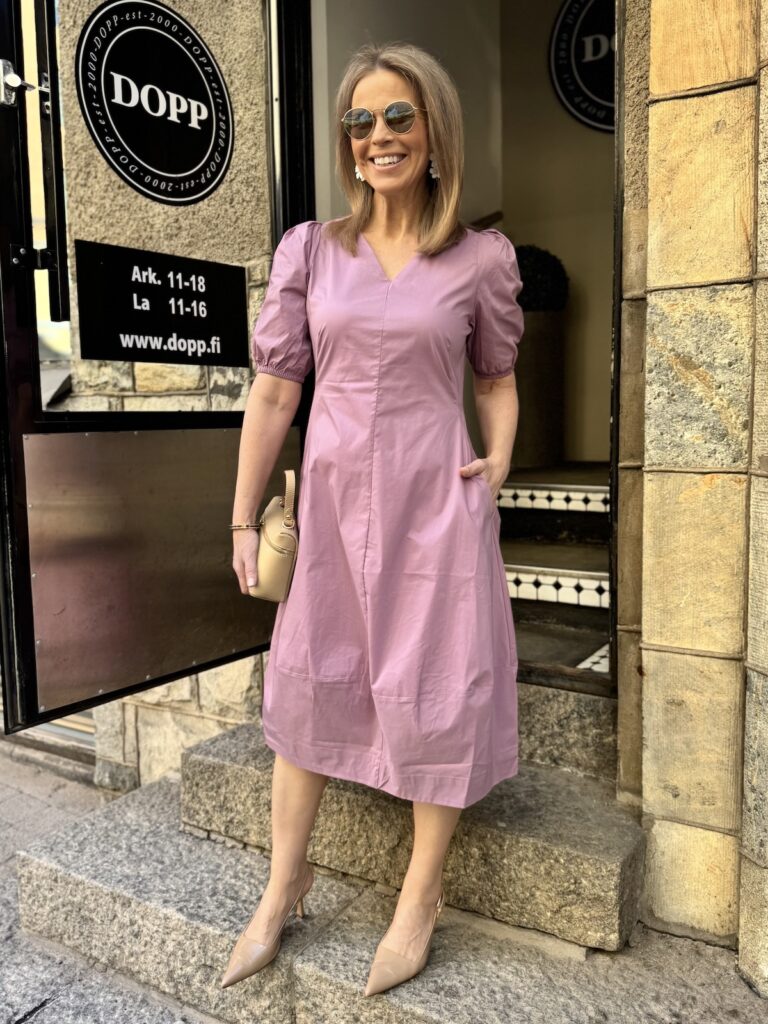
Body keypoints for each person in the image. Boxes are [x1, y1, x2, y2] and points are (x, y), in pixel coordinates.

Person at [223, 40, 524, 997]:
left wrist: (500, 456)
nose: (378, 135)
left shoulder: (480, 259)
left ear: (434, 131)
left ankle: (419, 898)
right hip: (334, 507)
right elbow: (276, 390)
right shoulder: (312, 250)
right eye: (360, 120)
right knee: (309, 680)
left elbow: (497, 377)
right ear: (346, 141)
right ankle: (284, 884)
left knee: (439, 685)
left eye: (399, 116)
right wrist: (242, 518)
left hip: (436, 507)